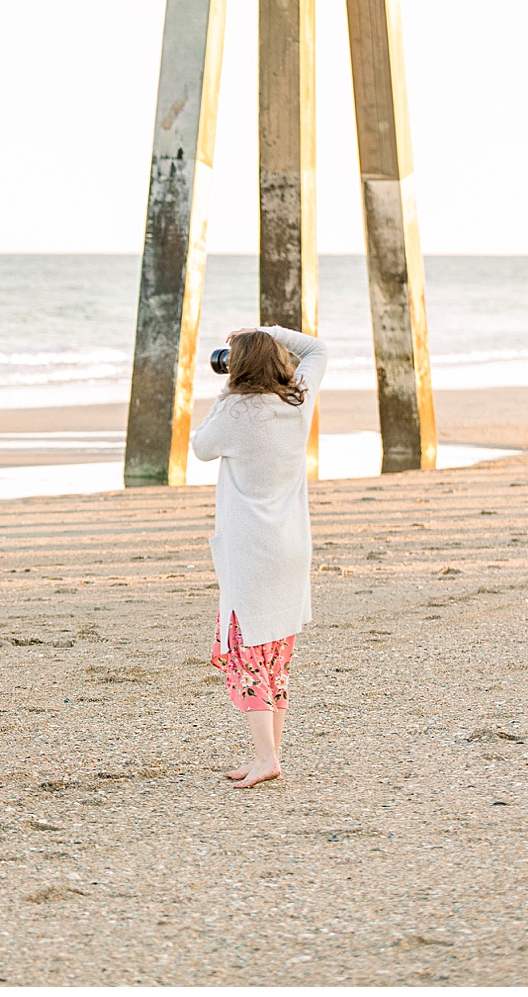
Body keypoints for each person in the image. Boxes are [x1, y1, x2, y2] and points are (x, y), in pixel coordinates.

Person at [190, 325, 328, 789]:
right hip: (291, 549)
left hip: (252, 553)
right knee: (274, 659)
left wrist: (226, 392)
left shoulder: (235, 410)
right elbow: (317, 348)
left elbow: (201, 446)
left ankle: (267, 758)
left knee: (248, 655)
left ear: (238, 368)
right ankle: (268, 754)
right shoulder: (298, 400)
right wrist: (265, 331)